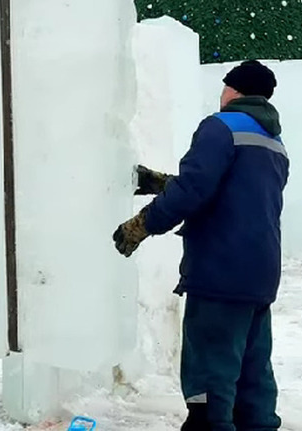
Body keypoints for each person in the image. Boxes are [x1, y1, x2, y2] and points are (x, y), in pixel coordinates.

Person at [112, 60, 290, 431]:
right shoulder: (273, 142)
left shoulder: (220, 127)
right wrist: (162, 183)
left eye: (224, 88)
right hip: (260, 273)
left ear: (234, 91)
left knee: (210, 378)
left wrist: (140, 225)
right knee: (252, 377)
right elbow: (230, 193)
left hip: (220, 271)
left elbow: (195, 190)